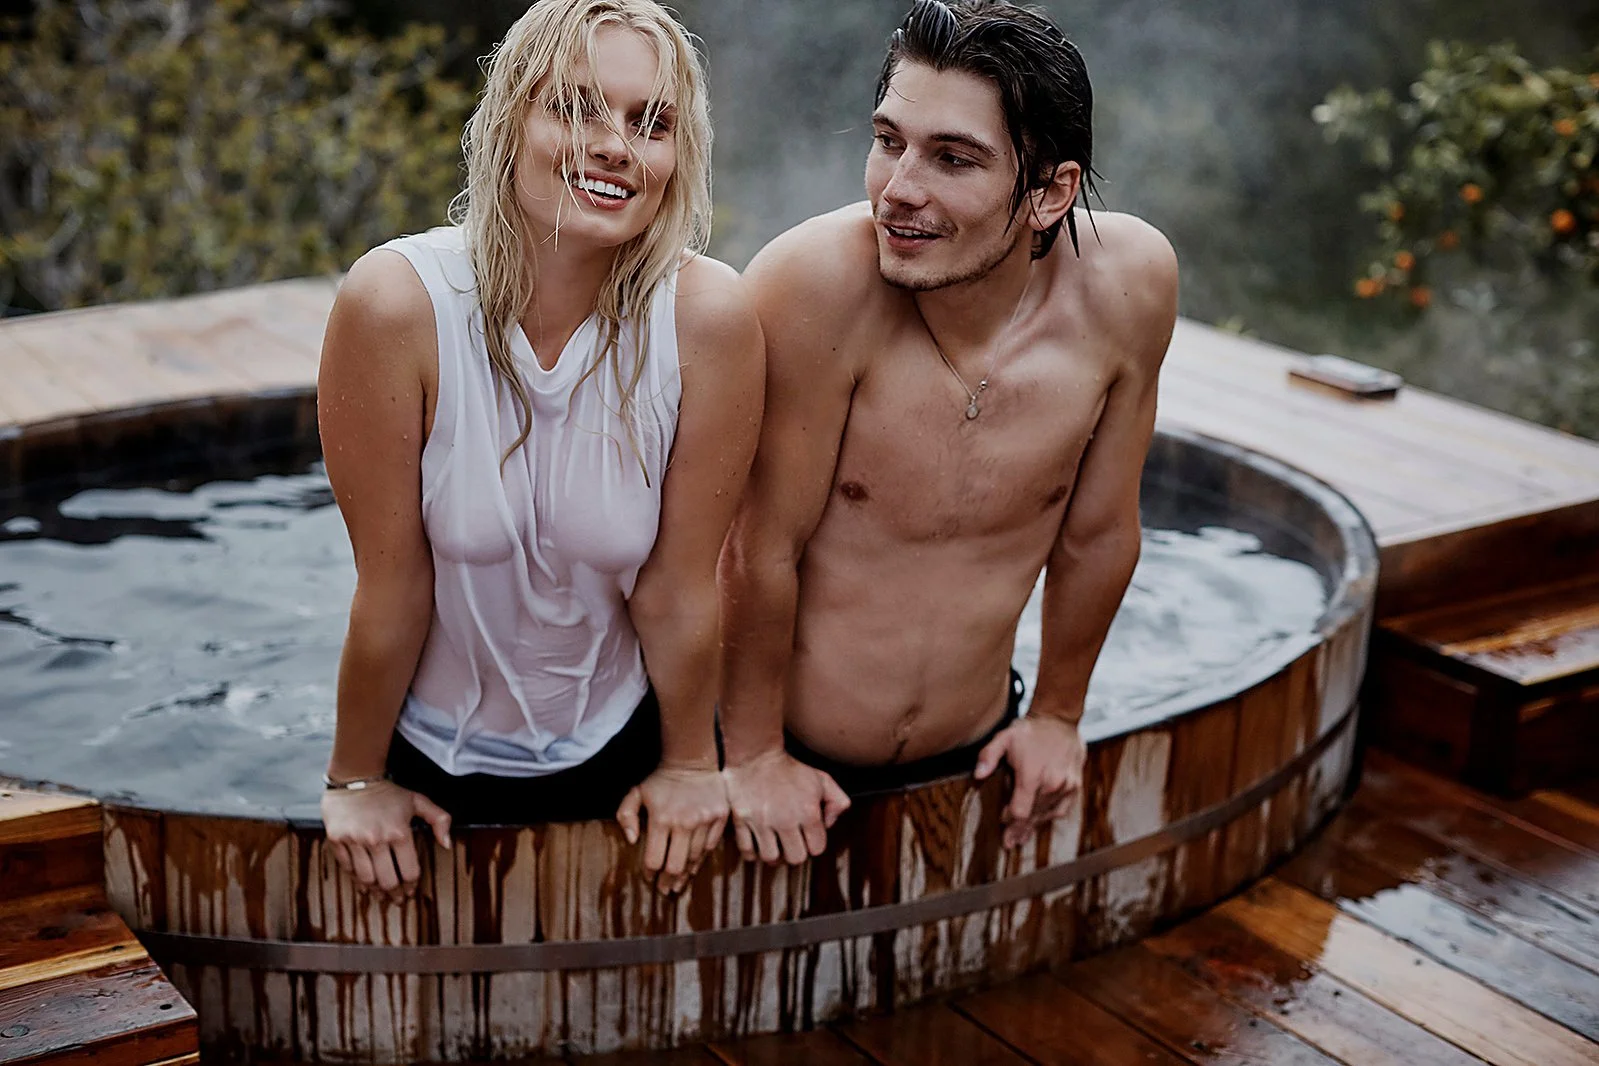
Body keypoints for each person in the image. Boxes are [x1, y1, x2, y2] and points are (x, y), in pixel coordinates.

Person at [316, 0, 761, 897]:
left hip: (621, 748)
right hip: (429, 757)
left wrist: (688, 766)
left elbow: (678, 588)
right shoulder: (398, 305)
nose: (615, 145)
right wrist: (356, 779)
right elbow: (393, 584)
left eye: (651, 123)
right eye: (577, 107)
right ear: (510, 118)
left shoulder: (706, 319)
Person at [718, 0, 1178, 863]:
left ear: (1049, 191)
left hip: (977, 749)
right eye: (888, 140)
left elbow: (1098, 530)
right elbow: (753, 546)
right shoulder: (814, 286)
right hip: (781, 754)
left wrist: (1056, 715)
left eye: (952, 159)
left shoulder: (1127, 290)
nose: (898, 191)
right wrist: (749, 756)